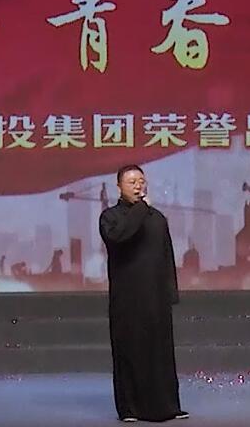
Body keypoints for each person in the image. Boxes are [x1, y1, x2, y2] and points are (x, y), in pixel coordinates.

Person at [99, 164, 188, 423]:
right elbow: (120, 236)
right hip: (127, 297)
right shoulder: (111, 217)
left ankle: (167, 406)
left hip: (156, 297)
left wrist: (170, 292)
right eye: (132, 182)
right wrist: (140, 209)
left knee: (161, 352)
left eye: (141, 181)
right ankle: (130, 408)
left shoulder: (157, 218)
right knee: (129, 350)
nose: (138, 186)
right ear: (119, 187)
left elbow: (167, 255)